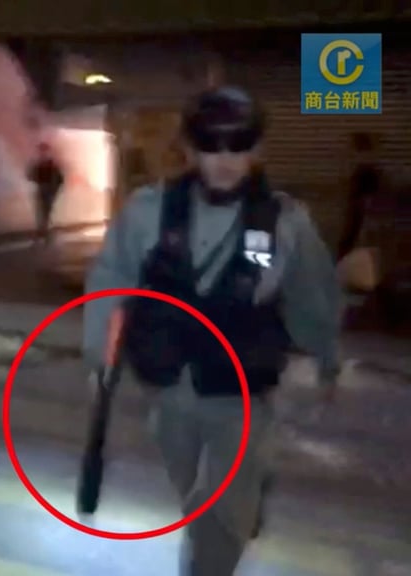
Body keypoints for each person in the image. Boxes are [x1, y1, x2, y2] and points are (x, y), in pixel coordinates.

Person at [83, 86, 341, 575]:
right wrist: (100, 354)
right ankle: (241, 502)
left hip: (241, 392)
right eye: (211, 143)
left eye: (238, 144)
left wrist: (326, 357)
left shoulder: (285, 221)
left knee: (221, 513)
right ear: (191, 147)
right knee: (196, 499)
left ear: (257, 149)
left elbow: (313, 293)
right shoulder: (150, 210)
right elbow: (111, 278)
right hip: (169, 388)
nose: (224, 158)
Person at [337, 132, 381, 260]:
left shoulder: (365, 168)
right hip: (358, 207)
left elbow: (365, 191)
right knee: (350, 238)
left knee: (351, 238)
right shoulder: (364, 167)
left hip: (360, 208)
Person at [30, 141, 63, 245]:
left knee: (44, 214)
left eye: (43, 150)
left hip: (47, 191)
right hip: (43, 190)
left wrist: (53, 190)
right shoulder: (39, 164)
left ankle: (44, 235)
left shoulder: (51, 165)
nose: (42, 153)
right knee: (43, 214)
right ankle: (45, 235)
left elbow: (59, 179)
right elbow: (31, 175)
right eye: (41, 150)